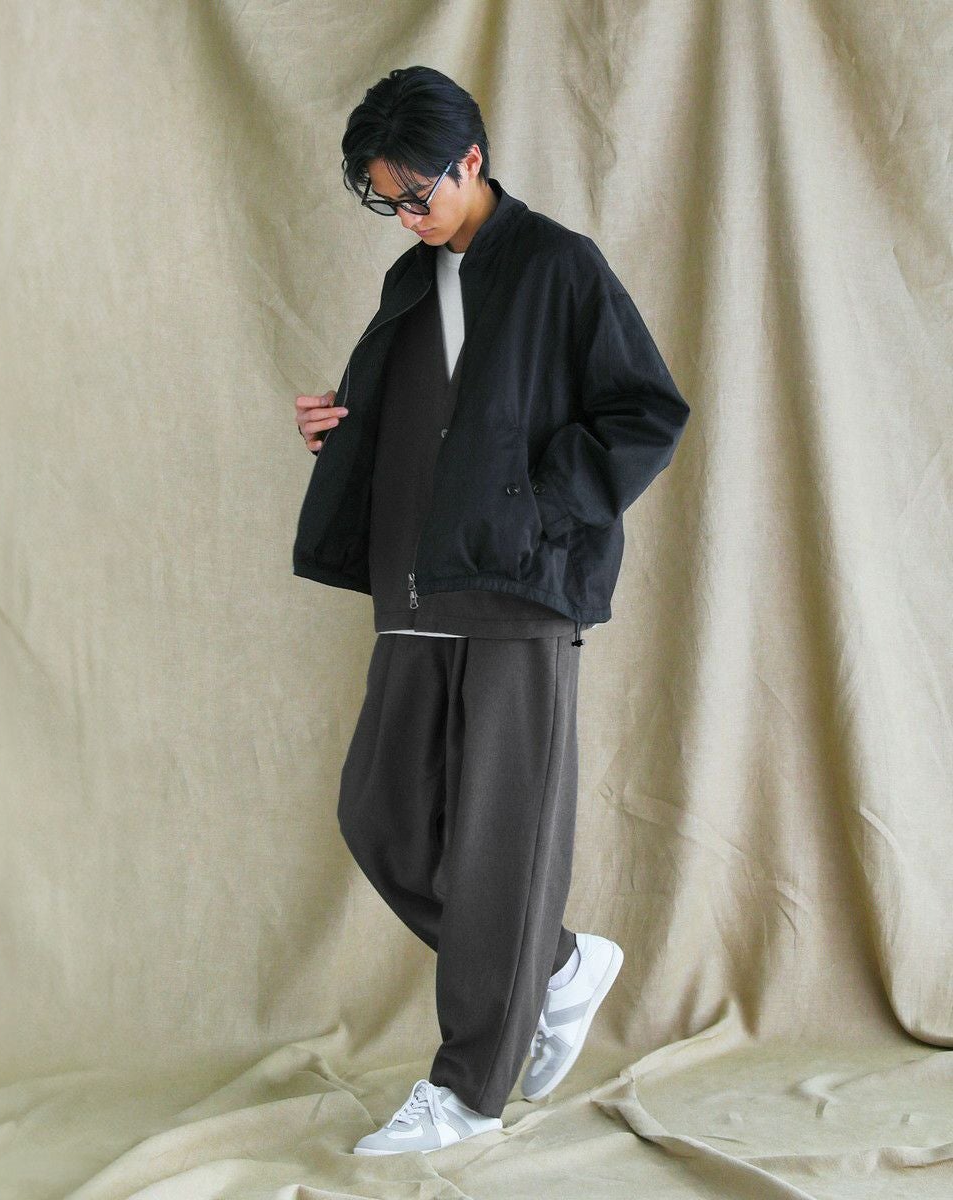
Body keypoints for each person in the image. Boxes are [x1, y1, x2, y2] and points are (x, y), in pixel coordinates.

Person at [293, 65, 690, 1155]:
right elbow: (430, 424)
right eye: (387, 200)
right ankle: (556, 965)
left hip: (518, 590)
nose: (405, 217)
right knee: (379, 818)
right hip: (415, 585)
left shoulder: (559, 266)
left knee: (498, 850)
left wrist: (532, 509)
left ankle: (468, 1096)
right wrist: (339, 433)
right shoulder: (412, 280)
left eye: (415, 194)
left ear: (471, 160)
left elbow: (645, 410)